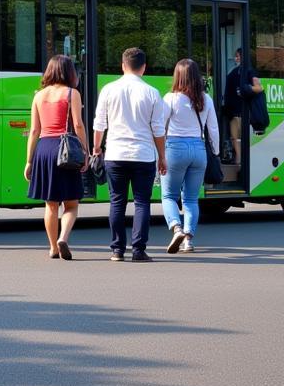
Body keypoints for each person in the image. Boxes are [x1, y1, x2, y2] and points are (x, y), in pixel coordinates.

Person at [91, 47, 166, 262]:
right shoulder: (152, 92)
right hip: (143, 155)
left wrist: (97, 149)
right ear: (144, 67)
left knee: (117, 202)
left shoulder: (108, 89)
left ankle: (117, 250)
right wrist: (162, 156)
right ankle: (139, 250)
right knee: (142, 202)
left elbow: (99, 123)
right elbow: (158, 130)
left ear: (123, 66)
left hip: (115, 153)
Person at [24, 55, 89, 259]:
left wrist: (29, 160)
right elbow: (78, 125)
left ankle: (52, 247)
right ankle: (63, 238)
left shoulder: (39, 96)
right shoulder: (72, 94)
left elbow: (34, 130)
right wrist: (85, 152)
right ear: (69, 72)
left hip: (44, 149)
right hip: (66, 149)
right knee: (71, 203)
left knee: (50, 204)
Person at [162, 57, 220, 255]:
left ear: (178, 76)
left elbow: (160, 127)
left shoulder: (170, 98)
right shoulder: (206, 99)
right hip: (198, 150)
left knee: (169, 195)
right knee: (191, 199)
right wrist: (217, 152)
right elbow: (213, 129)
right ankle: (188, 240)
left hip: (175, 148)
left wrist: (159, 153)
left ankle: (176, 228)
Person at [223, 47, 263, 170]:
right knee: (235, 137)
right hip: (238, 113)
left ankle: (240, 159)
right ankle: (239, 159)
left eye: (238, 56)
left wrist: (247, 89)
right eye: (236, 56)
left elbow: (259, 88)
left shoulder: (250, 73)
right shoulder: (233, 74)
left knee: (237, 138)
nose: (236, 58)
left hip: (243, 113)